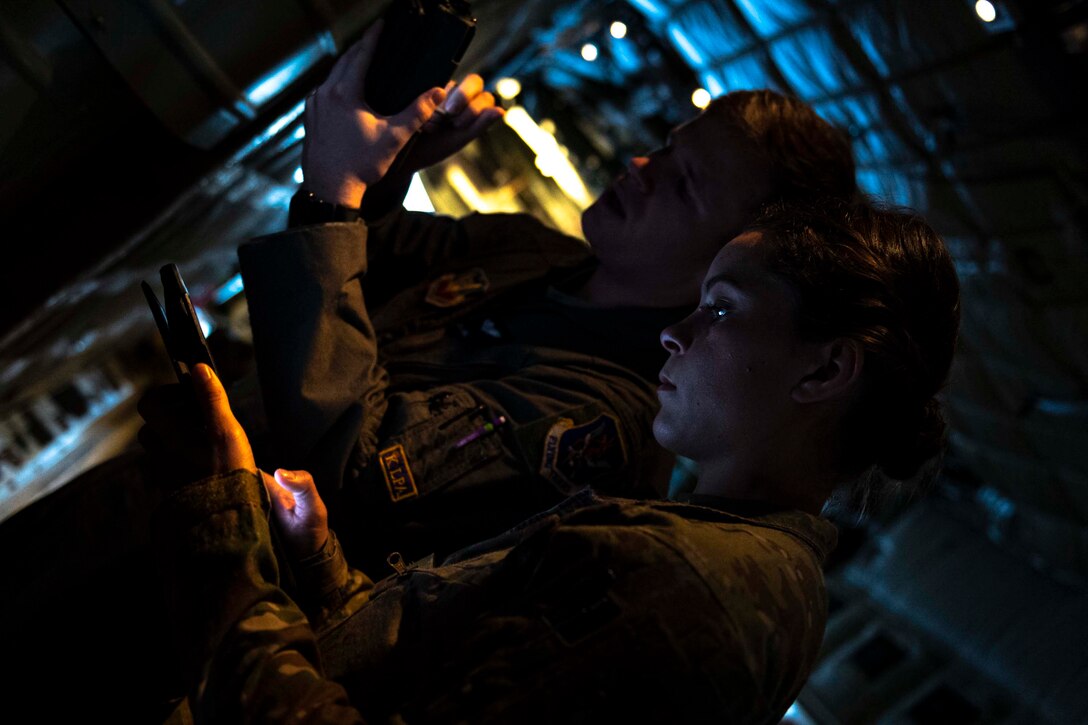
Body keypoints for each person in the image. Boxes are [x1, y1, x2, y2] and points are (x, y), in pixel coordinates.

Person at [143, 197, 961, 723]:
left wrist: (221, 514)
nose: (676, 332)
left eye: (722, 308)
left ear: (823, 369)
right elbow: (426, 666)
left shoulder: (690, 589)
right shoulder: (700, 543)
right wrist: (321, 561)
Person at [238, 24, 858, 574]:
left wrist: (332, 195)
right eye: (668, 149)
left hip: (246, 583)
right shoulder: (536, 251)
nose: (642, 165)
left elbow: (347, 475)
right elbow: (362, 259)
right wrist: (395, 170)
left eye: (685, 184)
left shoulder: (608, 423)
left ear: (732, 255)